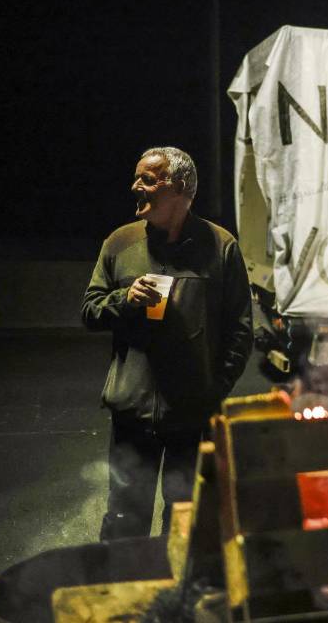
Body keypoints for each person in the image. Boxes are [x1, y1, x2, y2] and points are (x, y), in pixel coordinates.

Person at [82, 147, 253, 539]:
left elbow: (240, 330)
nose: (135, 186)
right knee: (125, 520)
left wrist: (211, 390)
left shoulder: (220, 246)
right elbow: (89, 310)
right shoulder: (120, 243)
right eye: (137, 176)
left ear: (177, 188)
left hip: (191, 416)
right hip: (132, 412)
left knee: (187, 523)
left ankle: (179, 597)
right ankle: (124, 594)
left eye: (146, 179)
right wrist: (124, 300)